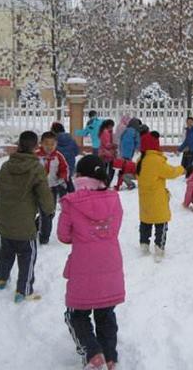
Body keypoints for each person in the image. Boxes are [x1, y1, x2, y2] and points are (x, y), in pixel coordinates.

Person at [58, 155, 125, 370]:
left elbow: (63, 235)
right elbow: (115, 227)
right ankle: (110, 357)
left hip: (83, 265)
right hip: (110, 263)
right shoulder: (114, 198)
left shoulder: (71, 201)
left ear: (79, 176)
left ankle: (93, 352)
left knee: (77, 313)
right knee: (106, 313)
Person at [0, 131, 53, 302]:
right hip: (25, 224)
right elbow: (44, 194)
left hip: (5, 220)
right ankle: (24, 290)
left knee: (6, 251)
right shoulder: (36, 168)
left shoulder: (6, 166)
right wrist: (49, 210)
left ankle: (1, 279)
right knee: (27, 256)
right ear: (36, 147)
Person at [136, 131, 184, 262]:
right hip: (157, 198)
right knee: (160, 223)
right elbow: (171, 172)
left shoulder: (141, 160)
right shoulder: (156, 161)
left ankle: (144, 245)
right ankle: (159, 248)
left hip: (145, 199)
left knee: (145, 222)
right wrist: (181, 169)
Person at [36, 131, 70, 245]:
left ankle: (38, 224)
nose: (49, 147)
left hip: (52, 188)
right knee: (45, 213)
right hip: (38, 188)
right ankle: (44, 237)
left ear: (56, 144)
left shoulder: (58, 156)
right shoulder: (35, 156)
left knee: (50, 213)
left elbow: (64, 169)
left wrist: (62, 177)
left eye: (52, 144)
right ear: (41, 143)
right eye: (46, 144)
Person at [98, 120, 118, 185]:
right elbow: (106, 144)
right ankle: (106, 183)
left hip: (105, 153)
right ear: (109, 125)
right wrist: (114, 146)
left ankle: (105, 182)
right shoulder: (105, 132)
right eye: (112, 126)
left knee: (106, 168)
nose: (112, 127)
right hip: (107, 153)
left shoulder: (106, 132)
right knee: (111, 169)